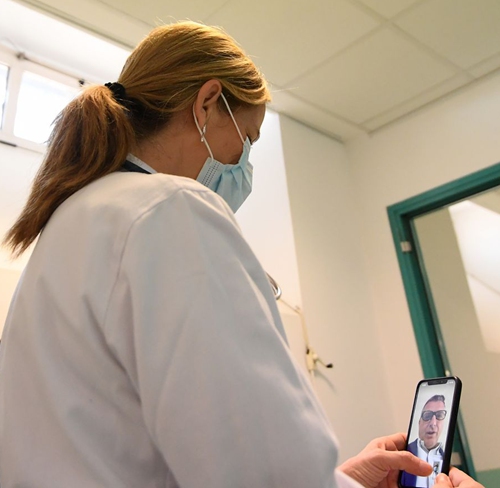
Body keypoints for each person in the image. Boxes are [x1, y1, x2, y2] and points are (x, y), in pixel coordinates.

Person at [0, 21, 483, 488]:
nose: (244, 164)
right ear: (207, 103)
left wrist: (342, 479)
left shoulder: (73, 220)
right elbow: (265, 474)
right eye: (248, 139)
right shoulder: (171, 209)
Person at [401, 395, 447, 487]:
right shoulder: (403, 454)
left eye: (439, 415)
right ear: (419, 423)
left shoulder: (445, 460)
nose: (433, 423)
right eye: (427, 416)